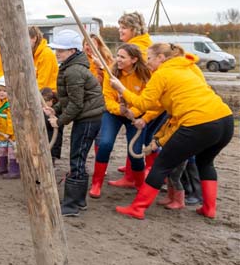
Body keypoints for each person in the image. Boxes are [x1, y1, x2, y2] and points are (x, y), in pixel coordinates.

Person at [110, 43, 233, 220]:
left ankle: (138, 208)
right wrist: (143, 118)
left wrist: (121, 89)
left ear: (161, 58)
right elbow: (161, 104)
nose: (148, 63)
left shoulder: (161, 74)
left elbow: (145, 103)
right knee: (206, 163)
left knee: (161, 164)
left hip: (198, 122)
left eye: (150, 59)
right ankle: (209, 208)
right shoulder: (189, 67)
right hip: (224, 119)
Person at [43, 29, 105, 217]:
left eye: (60, 50)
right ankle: (78, 200)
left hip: (88, 118)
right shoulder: (72, 67)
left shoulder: (73, 72)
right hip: (88, 117)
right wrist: (57, 109)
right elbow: (70, 98)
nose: (57, 53)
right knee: (78, 156)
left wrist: (59, 121)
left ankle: (72, 205)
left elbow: (77, 104)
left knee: (77, 158)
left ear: (72, 51)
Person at [90, 44, 162, 198]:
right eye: (117, 56)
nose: (118, 59)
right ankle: (97, 183)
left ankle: (139, 184)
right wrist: (119, 110)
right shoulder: (112, 71)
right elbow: (107, 98)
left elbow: (148, 101)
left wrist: (134, 113)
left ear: (134, 59)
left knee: (135, 150)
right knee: (105, 143)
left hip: (136, 114)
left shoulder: (145, 74)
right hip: (113, 113)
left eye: (122, 57)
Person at [115, 11, 163, 181]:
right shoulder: (143, 44)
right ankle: (135, 168)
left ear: (134, 30)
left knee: (145, 138)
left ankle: (145, 172)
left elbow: (147, 82)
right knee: (140, 138)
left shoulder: (138, 49)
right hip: (146, 102)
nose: (120, 31)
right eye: (120, 27)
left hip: (148, 103)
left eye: (124, 28)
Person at [28, 26, 62, 162]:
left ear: (34, 38)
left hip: (50, 96)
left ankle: (51, 157)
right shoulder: (34, 54)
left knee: (50, 127)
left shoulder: (45, 54)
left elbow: (43, 82)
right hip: (40, 95)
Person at [0, 76, 19, 179]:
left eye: (4, 91)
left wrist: (9, 132)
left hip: (11, 134)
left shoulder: (10, 104)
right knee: (2, 149)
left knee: (12, 151)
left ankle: (14, 170)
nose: (1, 93)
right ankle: (2, 167)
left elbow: (11, 120)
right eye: (0, 90)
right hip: (1, 132)